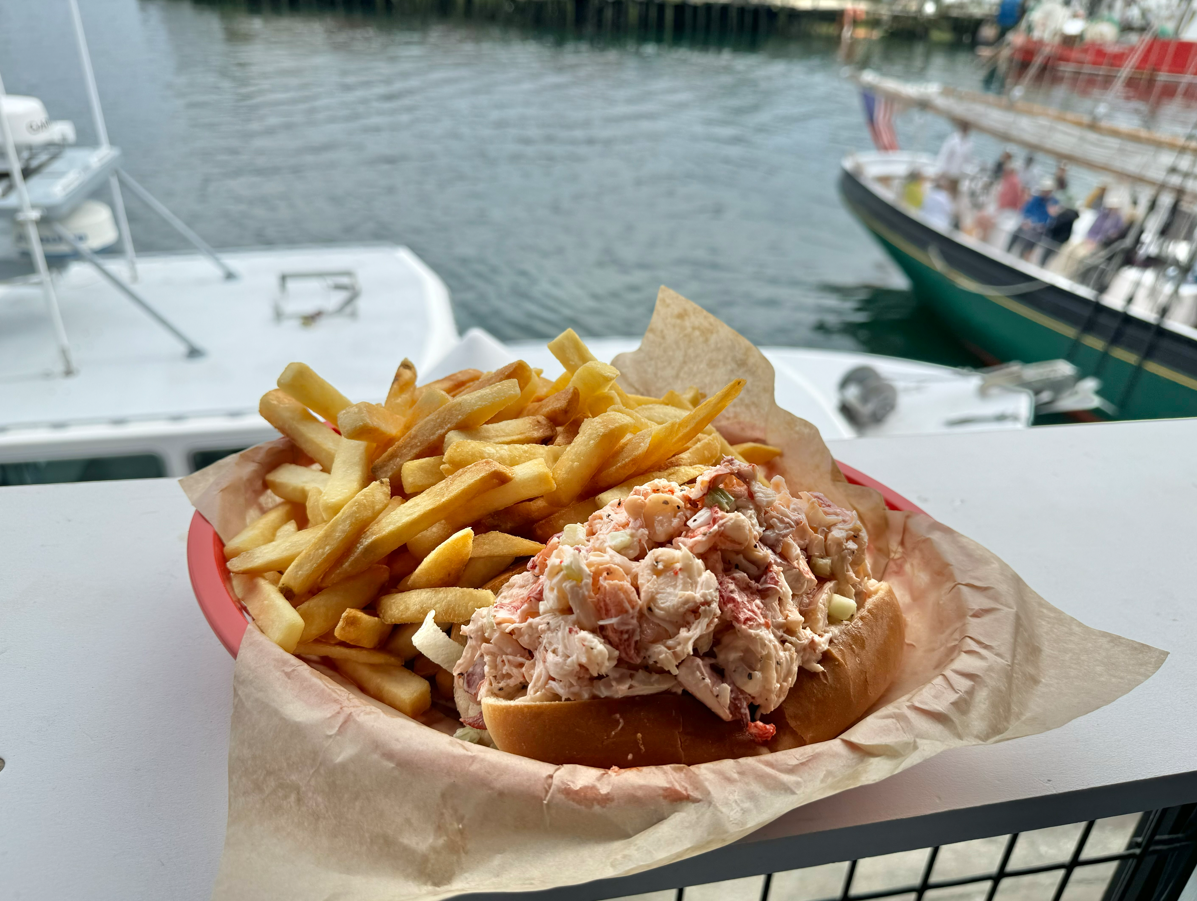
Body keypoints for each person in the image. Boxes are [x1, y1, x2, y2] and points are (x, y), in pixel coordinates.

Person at [1008, 178, 1057, 258]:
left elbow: (1050, 219)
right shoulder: (1036, 199)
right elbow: (1026, 210)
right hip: (1028, 224)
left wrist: (1036, 223)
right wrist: (1027, 220)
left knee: (1031, 239)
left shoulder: (1052, 203)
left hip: (1038, 229)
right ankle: (1008, 251)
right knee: (1017, 232)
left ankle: (1023, 256)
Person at [935, 122, 973, 197]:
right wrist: (942, 171)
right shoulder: (952, 140)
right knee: (942, 193)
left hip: (957, 174)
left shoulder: (968, 143)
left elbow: (967, 159)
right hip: (947, 172)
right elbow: (944, 155)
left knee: (952, 195)